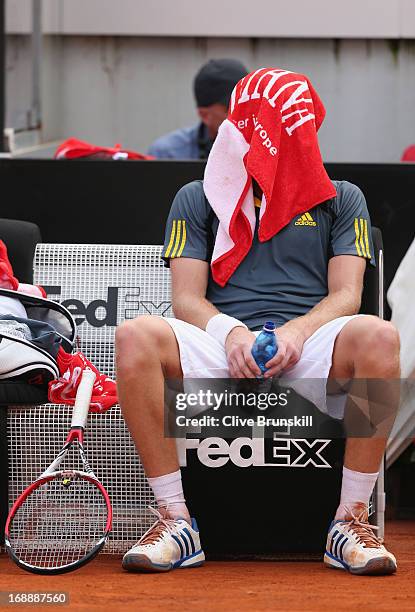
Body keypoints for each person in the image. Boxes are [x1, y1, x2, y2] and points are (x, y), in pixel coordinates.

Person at [116, 67, 400, 575]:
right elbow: (186, 300)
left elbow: (347, 296)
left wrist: (294, 332)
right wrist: (233, 335)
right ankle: (175, 520)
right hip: (223, 342)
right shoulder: (197, 196)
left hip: (310, 345)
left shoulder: (343, 196)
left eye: (297, 123)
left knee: (379, 335)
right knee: (135, 335)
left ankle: (351, 520)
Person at [148, 59, 248, 159]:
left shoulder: (262, 145)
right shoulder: (167, 154)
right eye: (233, 106)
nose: (248, 112)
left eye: (250, 103)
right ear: (205, 115)